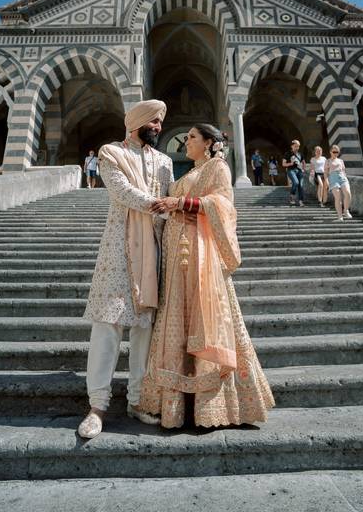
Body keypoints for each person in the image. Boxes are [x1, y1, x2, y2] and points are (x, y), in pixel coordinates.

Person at [142, 124, 275, 428]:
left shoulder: (217, 167)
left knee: (207, 317)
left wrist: (181, 203)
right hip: (177, 257)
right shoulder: (189, 172)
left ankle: (211, 405)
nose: (186, 142)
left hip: (201, 256)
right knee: (177, 320)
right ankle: (177, 406)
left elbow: (224, 205)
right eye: (186, 137)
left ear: (209, 143)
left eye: (191, 137)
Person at [77, 100, 175, 439]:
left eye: (162, 123)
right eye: (154, 122)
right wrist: (161, 205)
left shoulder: (164, 161)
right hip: (118, 249)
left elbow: (172, 194)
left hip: (154, 249)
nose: (159, 128)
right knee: (108, 325)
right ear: (138, 122)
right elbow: (121, 192)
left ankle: (136, 401)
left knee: (144, 329)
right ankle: (97, 407)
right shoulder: (110, 153)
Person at [324, 144, 353, 221]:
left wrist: (345, 177)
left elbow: (343, 170)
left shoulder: (341, 161)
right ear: (330, 152)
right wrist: (326, 181)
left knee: (348, 193)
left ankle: (346, 210)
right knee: (338, 197)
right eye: (334, 151)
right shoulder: (328, 161)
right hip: (333, 178)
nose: (335, 153)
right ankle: (340, 216)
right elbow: (326, 172)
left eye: (337, 152)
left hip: (342, 177)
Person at [284, 140, 305, 206]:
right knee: (296, 182)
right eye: (295, 146)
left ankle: (301, 201)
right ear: (292, 146)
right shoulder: (287, 154)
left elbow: (303, 162)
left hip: (299, 170)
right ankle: (292, 196)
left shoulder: (300, 154)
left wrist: (303, 169)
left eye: (298, 146)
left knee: (301, 186)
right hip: (291, 170)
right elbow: (283, 164)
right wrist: (291, 163)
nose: (297, 147)